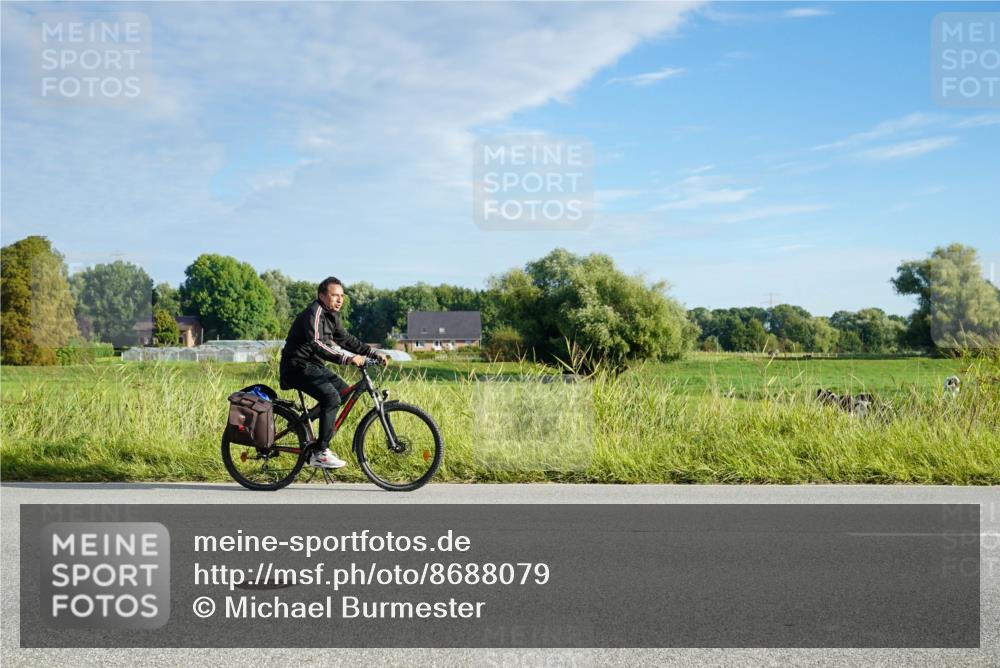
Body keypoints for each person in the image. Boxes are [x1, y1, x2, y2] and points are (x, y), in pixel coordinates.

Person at [279, 276, 387, 469]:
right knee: (332, 398)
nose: (340, 299)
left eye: (342, 296)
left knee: (343, 392)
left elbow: (345, 339)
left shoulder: (332, 315)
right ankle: (320, 452)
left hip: (313, 366)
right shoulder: (315, 312)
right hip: (296, 366)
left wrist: (372, 352)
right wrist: (347, 359)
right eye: (334, 295)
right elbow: (317, 343)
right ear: (321, 295)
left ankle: (301, 425)